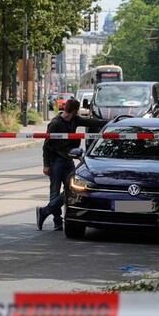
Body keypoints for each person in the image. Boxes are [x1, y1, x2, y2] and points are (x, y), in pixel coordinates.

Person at [36, 98, 108, 231]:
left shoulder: (75, 119)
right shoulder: (55, 124)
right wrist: (46, 164)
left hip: (68, 159)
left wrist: (110, 122)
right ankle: (57, 222)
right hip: (56, 161)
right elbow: (47, 146)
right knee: (54, 192)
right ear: (74, 111)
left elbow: (91, 121)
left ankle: (45, 211)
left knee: (70, 190)